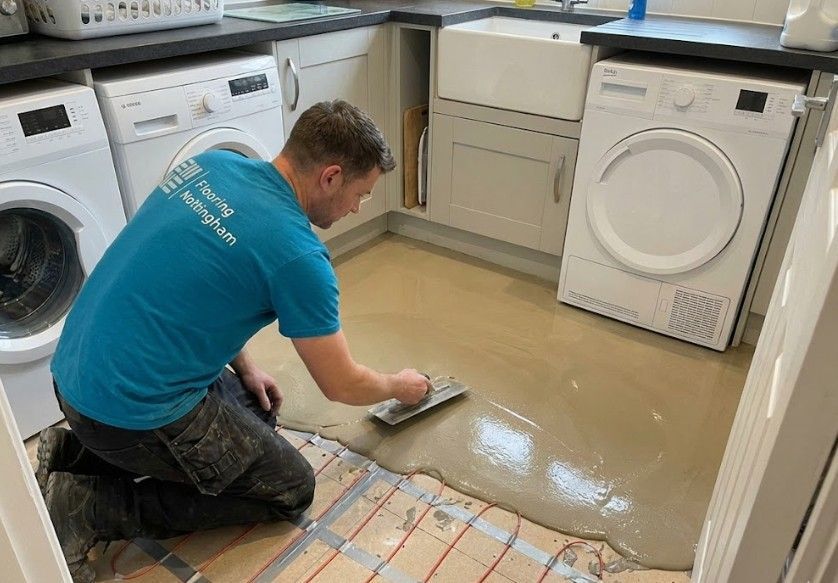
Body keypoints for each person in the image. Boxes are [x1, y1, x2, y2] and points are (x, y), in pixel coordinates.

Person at [40, 100, 431, 582]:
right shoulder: (300, 257)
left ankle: (71, 453)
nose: (356, 208)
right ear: (330, 176)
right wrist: (399, 386)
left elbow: (198, 284)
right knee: (288, 487)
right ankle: (90, 506)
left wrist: (245, 367)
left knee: (257, 406)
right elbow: (341, 384)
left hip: (73, 378)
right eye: (360, 194)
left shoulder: (214, 164)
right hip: (126, 413)